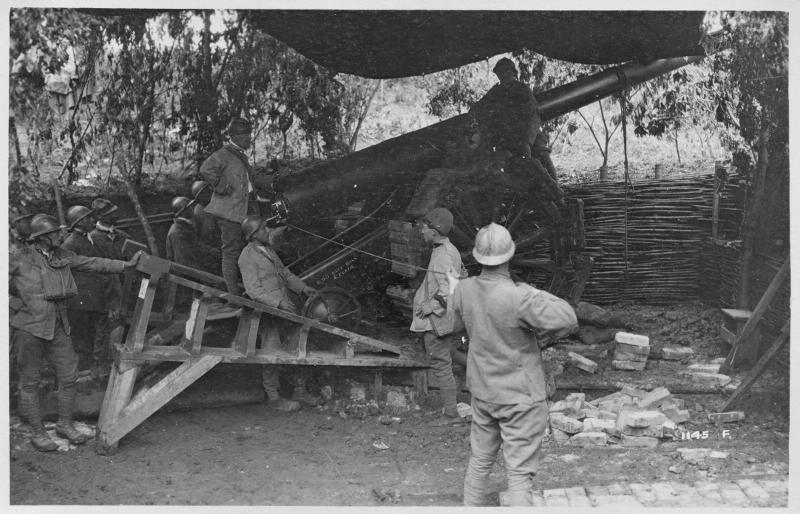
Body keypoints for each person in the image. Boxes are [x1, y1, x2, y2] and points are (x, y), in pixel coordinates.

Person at [449, 223, 577, 506]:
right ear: (510, 255)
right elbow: (567, 318)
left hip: (483, 393)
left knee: (480, 460)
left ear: (477, 257)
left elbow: (455, 323)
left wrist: (455, 289)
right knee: (518, 474)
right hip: (520, 397)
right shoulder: (519, 296)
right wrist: (532, 293)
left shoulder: (463, 289)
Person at [10, 214, 141, 451]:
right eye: (55, 233)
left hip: (58, 325)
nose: (61, 236)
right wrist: (15, 307)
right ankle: (38, 433)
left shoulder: (62, 256)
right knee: (30, 382)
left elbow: (92, 263)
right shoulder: (19, 258)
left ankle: (64, 424)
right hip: (29, 329)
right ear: (41, 237)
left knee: (69, 376)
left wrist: (126, 265)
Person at [237, 215, 321, 411]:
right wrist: (278, 304)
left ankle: (300, 391)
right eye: (264, 228)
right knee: (271, 353)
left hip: (286, 309)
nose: (268, 231)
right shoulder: (246, 257)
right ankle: (273, 396)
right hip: (268, 312)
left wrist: (303, 288)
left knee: (298, 346)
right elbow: (254, 290)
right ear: (254, 234)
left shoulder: (268, 250)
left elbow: (285, 274)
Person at [471, 57, 562, 201]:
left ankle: (557, 194)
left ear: (512, 72)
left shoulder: (522, 90)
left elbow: (533, 117)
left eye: (506, 71)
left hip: (527, 137)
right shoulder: (495, 92)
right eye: (500, 72)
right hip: (506, 140)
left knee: (542, 156)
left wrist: (527, 142)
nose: (503, 75)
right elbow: (479, 109)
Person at [410, 207, 467, 421]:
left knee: (441, 365)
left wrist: (430, 307)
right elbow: (460, 275)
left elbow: (448, 289)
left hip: (437, 320)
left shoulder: (442, 255)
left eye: (424, 228)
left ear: (434, 231)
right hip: (448, 319)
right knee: (447, 355)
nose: (421, 231)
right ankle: (479, 369)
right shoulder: (449, 250)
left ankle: (451, 414)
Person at [200, 117, 260, 295]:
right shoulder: (224, 154)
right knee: (231, 252)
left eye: (249, 133)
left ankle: (248, 288)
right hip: (229, 213)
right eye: (244, 134)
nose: (249, 138)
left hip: (244, 209)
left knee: (245, 249)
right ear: (234, 136)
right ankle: (233, 293)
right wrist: (220, 186)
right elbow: (205, 169)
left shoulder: (240, 153)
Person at [61, 205, 119, 377]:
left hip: (93, 296)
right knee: (83, 336)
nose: (92, 221)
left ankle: (95, 367)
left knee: (96, 333)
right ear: (79, 222)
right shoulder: (71, 243)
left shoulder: (87, 238)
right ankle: (83, 371)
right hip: (82, 300)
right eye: (88, 218)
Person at [165, 196, 220, 273]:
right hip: (187, 279)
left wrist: (210, 250)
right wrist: (204, 274)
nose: (193, 208)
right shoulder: (178, 233)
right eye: (189, 207)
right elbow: (184, 263)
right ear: (183, 211)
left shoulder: (184, 227)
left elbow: (195, 245)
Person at [189, 180, 220, 247]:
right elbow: (194, 239)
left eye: (209, 190)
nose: (211, 192)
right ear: (199, 196)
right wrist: (209, 250)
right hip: (209, 250)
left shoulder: (215, 205)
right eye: (207, 191)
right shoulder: (197, 213)